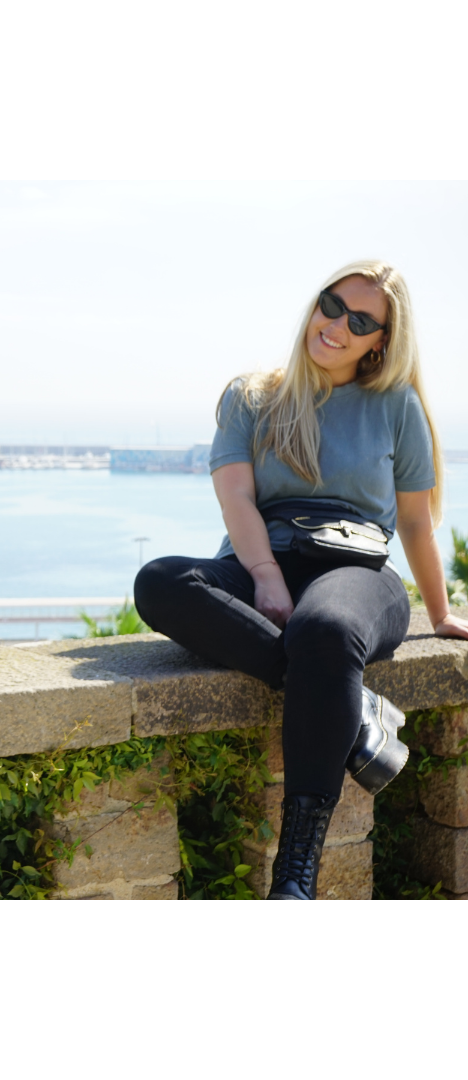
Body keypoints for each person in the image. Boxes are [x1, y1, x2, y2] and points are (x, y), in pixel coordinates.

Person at [133, 260, 468, 900]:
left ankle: (295, 875)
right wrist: (264, 575)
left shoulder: (396, 405)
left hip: (357, 572)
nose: (337, 325)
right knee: (160, 581)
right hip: (263, 555)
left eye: (361, 321)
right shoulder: (250, 395)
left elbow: (415, 522)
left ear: (381, 343)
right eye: (332, 304)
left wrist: (440, 612)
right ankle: (353, 704)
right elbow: (236, 496)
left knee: (326, 628)